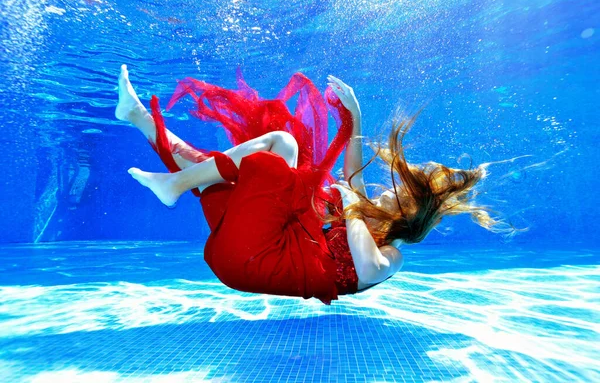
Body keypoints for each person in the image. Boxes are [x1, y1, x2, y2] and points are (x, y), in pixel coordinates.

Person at [116, 65, 509, 304]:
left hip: (255, 261)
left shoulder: (391, 254)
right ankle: (137, 118)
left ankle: (174, 184)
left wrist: (351, 203)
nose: (388, 189)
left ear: (406, 214)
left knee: (277, 152)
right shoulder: (364, 213)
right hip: (251, 245)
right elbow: (353, 172)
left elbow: (369, 268)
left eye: (398, 195)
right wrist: (354, 115)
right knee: (225, 170)